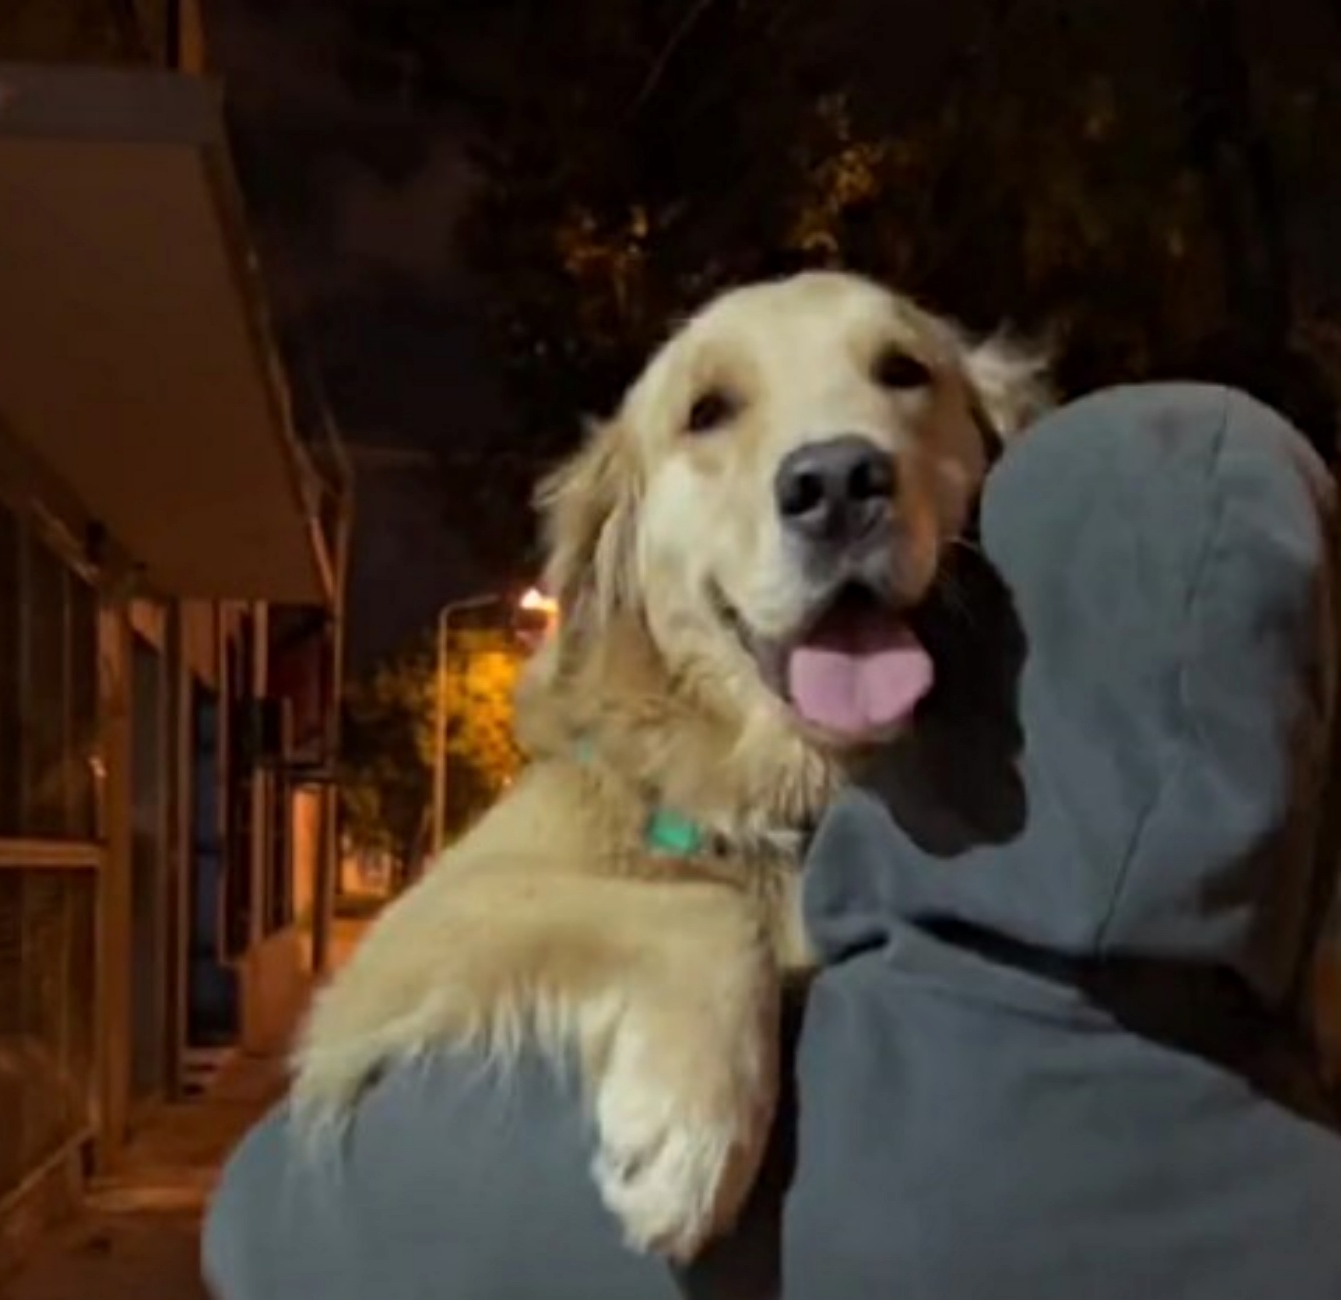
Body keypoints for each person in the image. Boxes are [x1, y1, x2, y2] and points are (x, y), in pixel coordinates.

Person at [204, 383, 1341, 1300]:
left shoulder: (732, 1139)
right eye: (713, 414)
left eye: (900, 379)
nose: (833, 458)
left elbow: (261, 1221)